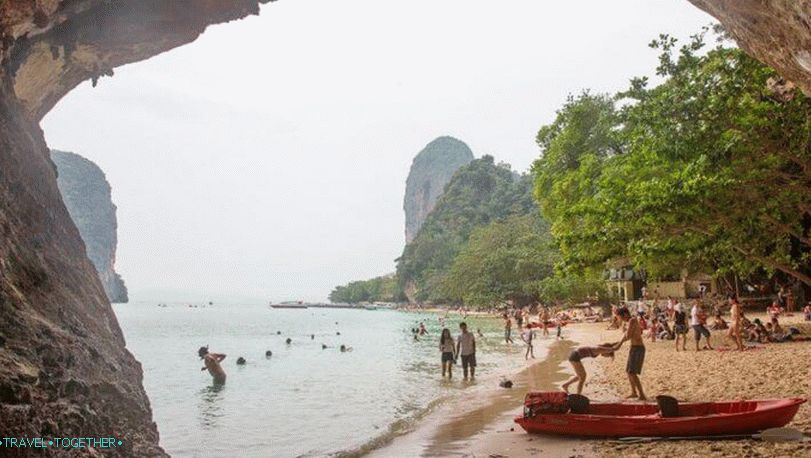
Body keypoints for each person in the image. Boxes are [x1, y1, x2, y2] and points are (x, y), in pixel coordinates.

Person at [618, 308, 646, 400]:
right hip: (634, 348)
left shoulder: (632, 320)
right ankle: (634, 392)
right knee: (629, 372)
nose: (621, 319)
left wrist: (619, 343)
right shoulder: (631, 321)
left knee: (632, 373)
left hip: (638, 348)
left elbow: (628, 335)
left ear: (625, 314)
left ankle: (642, 394)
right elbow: (628, 334)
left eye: (621, 317)